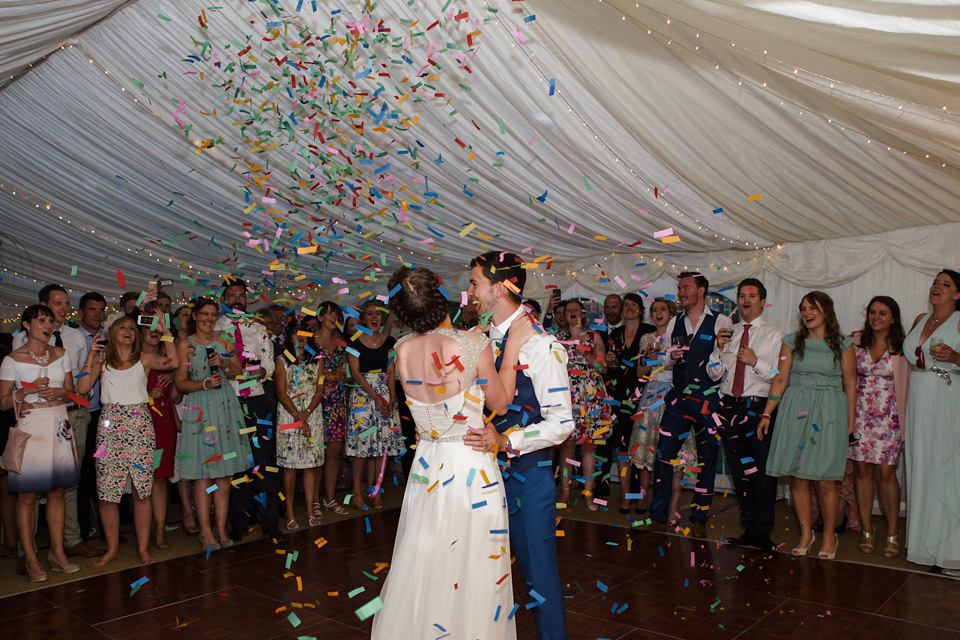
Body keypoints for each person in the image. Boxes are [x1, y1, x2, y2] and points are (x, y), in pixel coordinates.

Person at [371, 266, 519, 639]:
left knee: (427, 557)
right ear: (443, 301)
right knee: (475, 561)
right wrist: (510, 351)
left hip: (428, 465)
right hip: (469, 464)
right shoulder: (472, 344)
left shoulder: (401, 349)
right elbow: (500, 404)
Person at [465, 251, 574, 640]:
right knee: (484, 575)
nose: (469, 291)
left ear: (498, 288)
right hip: (480, 477)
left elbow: (562, 423)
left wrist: (507, 438)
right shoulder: (477, 339)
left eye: (475, 283)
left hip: (528, 477)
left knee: (538, 578)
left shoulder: (542, 346)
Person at [760, 291, 855, 560]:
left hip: (828, 411)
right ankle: (805, 533)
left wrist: (850, 424)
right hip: (796, 411)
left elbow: (849, 385)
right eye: (803, 308)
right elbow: (779, 379)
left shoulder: (843, 344)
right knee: (798, 477)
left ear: (826, 311)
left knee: (825, 480)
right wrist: (766, 414)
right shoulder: (790, 342)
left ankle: (828, 535)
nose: (807, 313)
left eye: (812, 308)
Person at [77, 313, 178, 567]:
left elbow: (174, 361)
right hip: (109, 425)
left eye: (132, 328)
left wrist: (165, 329)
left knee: (142, 491)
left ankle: (143, 548)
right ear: (112, 333)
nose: (128, 331)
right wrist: (91, 355)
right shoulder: (103, 360)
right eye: (122, 327)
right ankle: (112, 549)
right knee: (106, 494)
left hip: (141, 425)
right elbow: (81, 389)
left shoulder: (143, 359)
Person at [636, 273, 731, 538]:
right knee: (664, 456)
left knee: (707, 459)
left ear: (701, 291)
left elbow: (720, 369)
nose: (681, 292)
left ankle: (699, 517)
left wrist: (715, 354)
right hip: (677, 400)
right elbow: (665, 361)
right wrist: (671, 356)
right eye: (679, 288)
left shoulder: (721, 321)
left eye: (686, 288)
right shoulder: (675, 322)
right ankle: (658, 515)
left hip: (706, 400)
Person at [12, 284, 100, 561]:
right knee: (31, 487)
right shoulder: (20, 340)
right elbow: (17, 383)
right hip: (36, 418)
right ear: (43, 305)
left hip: (71, 414)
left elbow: (78, 382)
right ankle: (29, 552)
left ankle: (69, 541)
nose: (63, 308)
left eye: (66, 303)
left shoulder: (74, 337)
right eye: (57, 303)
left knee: (67, 483)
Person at [0, 305, 82, 582]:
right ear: (26, 325)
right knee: (27, 497)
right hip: (31, 428)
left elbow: (71, 393)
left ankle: (57, 552)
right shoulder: (13, 359)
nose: (48, 325)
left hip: (59, 424)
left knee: (58, 491)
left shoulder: (61, 354)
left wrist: (61, 392)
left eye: (50, 321)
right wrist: (22, 392)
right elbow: (2, 402)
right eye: (42, 320)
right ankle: (31, 557)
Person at [708, 279, 785, 551]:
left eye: (752, 296)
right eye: (741, 296)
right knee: (740, 474)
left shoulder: (775, 335)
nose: (746, 300)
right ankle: (749, 530)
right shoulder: (729, 333)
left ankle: (763, 533)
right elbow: (714, 374)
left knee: (763, 473)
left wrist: (755, 362)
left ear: (762, 301)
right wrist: (717, 349)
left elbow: (779, 376)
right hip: (730, 406)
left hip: (759, 409)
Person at [173, 298, 252, 551]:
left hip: (225, 407)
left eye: (213, 314)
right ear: (194, 316)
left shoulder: (225, 341)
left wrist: (224, 363)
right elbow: (180, 383)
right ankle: (205, 530)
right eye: (204, 314)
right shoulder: (185, 345)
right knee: (203, 473)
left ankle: (220, 527)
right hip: (199, 408)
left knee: (225, 473)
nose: (209, 318)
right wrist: (203, 384)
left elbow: (237, 371)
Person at [217, 280, 285, 544]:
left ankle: (270, 522)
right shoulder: (216, 329)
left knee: (263, 463)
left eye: (241, 296)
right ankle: (238, 522)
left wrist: (262, 372)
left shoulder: (260, 330)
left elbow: (269, 364)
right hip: (229, 403)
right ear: (223, 298)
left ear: (247, 300)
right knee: (235, 465)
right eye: (231, 296)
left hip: (258, 402)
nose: (237, 300)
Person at [903, 270, 960, 575]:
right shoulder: (920, 318)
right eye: (936, 282)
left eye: (946, 284)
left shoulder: (959, 320)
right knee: (921, 466)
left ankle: (951, 551)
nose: (937, 287)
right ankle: (924, 548)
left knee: (946, 469)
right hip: (919, 401)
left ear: (958, 294)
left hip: (948, 398)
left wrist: (956, 356)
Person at [847, 296, 909, 559]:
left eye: (883, 313)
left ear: (893, 318)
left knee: (885, 474)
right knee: (861, 471)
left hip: (890, 420)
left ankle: (893, 533)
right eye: (872, 312)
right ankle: (867, 531)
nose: (876, 317)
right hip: (860, 417)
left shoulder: (902, 347)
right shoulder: (856, 342)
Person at [628, 297, 693, 523]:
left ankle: (673, 507)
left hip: (675, 395)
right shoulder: (646, 338)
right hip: (652, 395)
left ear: (672, 313)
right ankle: (644, 501)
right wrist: (650, 360)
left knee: (674, 457)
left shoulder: (679, 337)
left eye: (662, 309)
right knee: (647, 450)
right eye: (654, 310)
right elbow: (639, 372)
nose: (658, 313)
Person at [344, 301, 402, 510]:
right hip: (363, 395)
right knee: (361, 449)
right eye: (370, 314)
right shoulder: (354, 342)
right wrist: (375, 396)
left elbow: (390, 370)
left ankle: (376, 490)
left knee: (382, 448)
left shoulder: (390, 341)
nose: (374, 317)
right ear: (363, 319)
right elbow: (356, 373)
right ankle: (357, 493)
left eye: (378, 313)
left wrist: (392, 395)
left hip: (385, 392)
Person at [604, 293, 655, 512]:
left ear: (641, 310)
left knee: (642, 448)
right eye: (626, 305)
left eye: (634, 305)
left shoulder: (648, 333)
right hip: (619, 398)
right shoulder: (615, 333)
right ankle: (626, 495)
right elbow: (611, 368)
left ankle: (641, 497)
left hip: (644, 396)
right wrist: (609, 362)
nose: (629, 308)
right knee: (623, 448)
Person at [557, 299, 608, 511]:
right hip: (566, 395)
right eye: (569, 310)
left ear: (583, 313)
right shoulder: (557, 339)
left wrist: (587, 354)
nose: (572, 313)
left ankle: (589, 493)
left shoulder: (594, 336)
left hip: (591, 396)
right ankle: (566, 491)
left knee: (589, 445)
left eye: (576, 309)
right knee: (567, 446)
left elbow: (603, 368)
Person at [275, 319, 326, 530]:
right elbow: (281, 392)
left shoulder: (317, 359)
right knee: (289, 467)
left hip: (312, 415)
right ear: (290, 336)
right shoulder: (282, 360)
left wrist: (305, 415)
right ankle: (289, 511)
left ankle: (309, 508)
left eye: (304, 334)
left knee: (311, 466)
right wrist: (297, 416)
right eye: (297, 334)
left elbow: (319, 390)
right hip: (289, 417)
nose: (301, 338)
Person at [140, 311, 182, 551]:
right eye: (150, 327)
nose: (154, 331)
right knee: (141, 480)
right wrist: (146, 396)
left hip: (163, 423)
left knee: (160, 480)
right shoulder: (131, 359)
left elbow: (175, 395)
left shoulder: (166, 359)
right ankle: (144, 533)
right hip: (140, 422)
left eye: (159, 328)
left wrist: (173, 379)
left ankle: (159, 530)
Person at [75, 292, 106, 545]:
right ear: (81, 312)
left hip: (107, 413)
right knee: (84, 473)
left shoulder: (111, 337)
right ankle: (84, 529)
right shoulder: (71, 338)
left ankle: (109, 530)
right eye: (92, 309)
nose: (98, 314)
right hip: (83, 412)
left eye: (101, 309)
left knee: (104, 470)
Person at [314, 301, 349, 516]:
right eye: (328, 313)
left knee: (333, 453)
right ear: (319, 317)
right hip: (315, 402)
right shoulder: (310, 341)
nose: (332, 316)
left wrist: (336, 374)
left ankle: (330, 498)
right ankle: (314, 500)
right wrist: (329, 374)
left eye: (335, 313)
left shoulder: (342, 341)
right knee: (316, 453)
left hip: (336, 402)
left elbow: (347, 372)